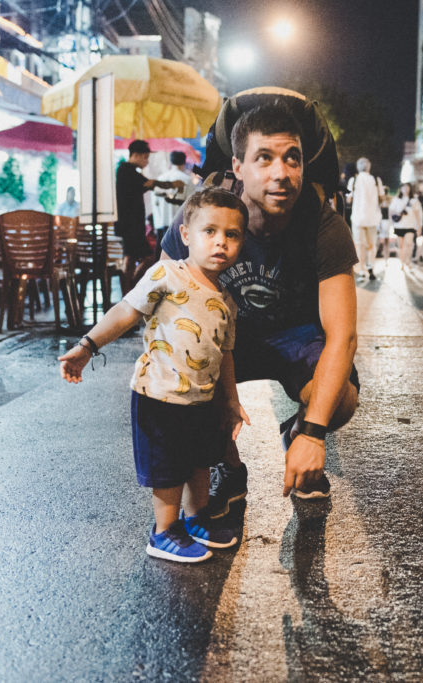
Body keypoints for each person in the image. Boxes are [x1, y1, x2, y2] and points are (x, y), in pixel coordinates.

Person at [160, 102, 359, 510]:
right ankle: (228, 468)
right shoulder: (203, 214)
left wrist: (314, 434)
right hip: (229, 335)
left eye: (292, 159)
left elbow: (343, 336)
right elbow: (166, 302)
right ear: (237, 166)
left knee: (341, 399)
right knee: (182, 367)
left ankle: (297, 432)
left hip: (296, 337)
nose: (280, 173)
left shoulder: (323, 224)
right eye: (263, 159)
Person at [58, 188, 250, 562]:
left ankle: (195, 519)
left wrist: (231, 400)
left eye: (232, 235)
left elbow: (225, 353)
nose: (220, 242)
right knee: (168, 467)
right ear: (185, 235)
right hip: (159, 396)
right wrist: (87, 346)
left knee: (200, 460)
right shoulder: (167, 274)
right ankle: (163, 531)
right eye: (209, 231)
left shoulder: (228, 300)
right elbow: (125, 312)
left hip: (203, 399)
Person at [115, 140, 186, 295]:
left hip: (133, 224)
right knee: (144, 257)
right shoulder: (126, 170)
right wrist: (174, 184)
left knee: (132, 256)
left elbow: (149, 185)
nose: (146, 162)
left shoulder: (128, 171)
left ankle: (129, 289)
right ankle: (131, 287)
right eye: (145, 157)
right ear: (136, 155)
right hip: (130, 225)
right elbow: (150, 183)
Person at [347, 157, 382, 281]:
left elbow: (348, 199)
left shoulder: (353, 180)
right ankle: (370, 266)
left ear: (358, 167)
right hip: (373, 217)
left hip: (358, 218)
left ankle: (361, 270)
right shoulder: (376, 180)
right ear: (369, 167)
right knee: (371, 245)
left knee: (359, 245)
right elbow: (381, 197)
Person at [152, 151, 193, 246]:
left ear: (170, 162)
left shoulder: (160, 179)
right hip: (179, 225)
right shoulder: (187, 180)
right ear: (184, 162)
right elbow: (190, 204)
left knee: (161, 256)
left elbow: (155, 204)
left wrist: (157, 224)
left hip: (161, 224)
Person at [389, 183, 423, 272]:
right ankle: (402, 262)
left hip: (410, 226)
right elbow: (391, 211)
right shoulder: (396, 199)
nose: (405, 189)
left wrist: (419, 227)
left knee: (409, 243)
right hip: (399, 226)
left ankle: (408, 260)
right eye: (403, 187)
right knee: (401, 246)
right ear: (400, 189)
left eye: (407, 187)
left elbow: (417, 214)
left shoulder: (414, 200)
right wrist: (393, 220)